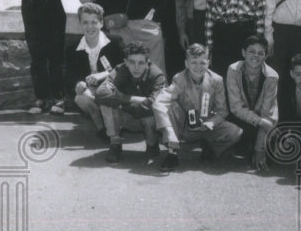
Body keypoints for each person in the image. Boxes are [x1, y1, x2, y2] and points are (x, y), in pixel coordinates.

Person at [153, 44, 243, 174]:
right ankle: (172, 153)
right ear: (186, 63)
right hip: (184, 126)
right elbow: (159, 102)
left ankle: (210, 146)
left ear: (208, 62)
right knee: (170, 105)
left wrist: (210, 123)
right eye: (194, 62)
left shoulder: (216, 80)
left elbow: (222, 110)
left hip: (207, 125)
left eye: (202, 62)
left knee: (236, 132)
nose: (198, 67)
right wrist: (169, 132)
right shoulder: (179, 79)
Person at [88, 41, 165, 163]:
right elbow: (101, 93)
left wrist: (120, 100)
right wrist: (131, 99)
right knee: (106, 105)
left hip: (147, 119)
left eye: (141, 62)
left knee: (153, 113)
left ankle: (152, 144)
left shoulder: (157, 75)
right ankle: (115, 144)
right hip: (127, 117)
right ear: (125, 62)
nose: (136, 67)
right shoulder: (120, 70)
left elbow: (155, 103)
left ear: (147, 63)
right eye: (132, 62)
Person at [66, 2, 125, 141]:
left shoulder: (115, 42)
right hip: (91, 92)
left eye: (94, 22)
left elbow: (124, 68)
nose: (90, 26)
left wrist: (103, 74)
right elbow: (68, 76)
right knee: (81, 97)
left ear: (101, 23)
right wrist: (77, 83)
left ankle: (113, 125)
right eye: (85, 22)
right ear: (80, 24)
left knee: (107, 96)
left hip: (112, 87)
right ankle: (102, 128)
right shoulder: (72, 48)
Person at [225, 36, 279, 170]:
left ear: (266, 56)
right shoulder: (233, 70)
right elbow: (236, 107)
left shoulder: (272, 76)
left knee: (272, 153)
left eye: (261, 53)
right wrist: (260, 122)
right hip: (241, 117)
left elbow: (268, 115)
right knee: (238, 142)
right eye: (251, 51)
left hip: (263, 120)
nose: (256, 56)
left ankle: (256, 146)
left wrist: (259, 149)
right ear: (243, 53)